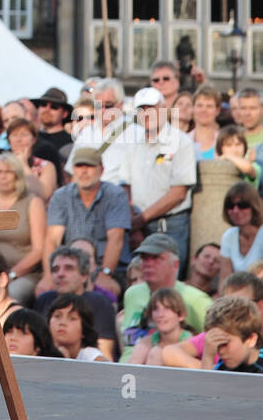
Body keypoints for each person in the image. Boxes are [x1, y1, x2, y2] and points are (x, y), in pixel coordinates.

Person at [121, 87, 196, 274]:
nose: (146, 114)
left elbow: (178, 193)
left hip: (170, 225)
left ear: (163, 109)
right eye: (141, 109)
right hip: (139, 225)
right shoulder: (132, 142)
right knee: (138, 280)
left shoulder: (182, 141)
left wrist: (137, 221)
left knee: (169, 283)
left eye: (151, 108)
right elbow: (125, 184)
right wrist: (135, 223)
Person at [43, 148, 130, 298]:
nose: (84, 172)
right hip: (70, 264)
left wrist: (105, 273)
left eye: (89, 166)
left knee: (108, 289)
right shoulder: (60, 196)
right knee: (45, 291)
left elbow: (116, 239)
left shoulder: (115, 195)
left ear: (101, 170)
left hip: (108, 266)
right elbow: (52, 239)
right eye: (79, 166)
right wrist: (48, 275)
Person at [118, 235, 210, 361]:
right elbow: (126, 342)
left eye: (156, 258)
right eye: (144, 258)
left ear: (175, 265)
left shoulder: (195, 300)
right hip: (126, 372)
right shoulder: (133, 294)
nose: (148, 264)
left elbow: (212, 341)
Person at [0, 152, 45, 303]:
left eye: (8, 172)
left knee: (10, 294)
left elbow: (38, 250)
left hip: (21, 275)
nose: (3, 177)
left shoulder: (33, 203)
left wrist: (11, 274)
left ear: (17, 176)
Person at [34, 246, 117, 359]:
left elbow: (104, 353)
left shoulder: (99, 303)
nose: (60, 274)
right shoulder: (44, 300)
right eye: (55, 269)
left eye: (68, 268)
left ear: (84, 276)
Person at [67, 77, 130, 183]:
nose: (103, 110)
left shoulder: (136, 132)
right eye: (99, 105)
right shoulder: (86, 132)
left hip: (117, 194)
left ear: (121, 104)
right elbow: (72, 170)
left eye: (108, 105)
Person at [127, 288, 192, 366]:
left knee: (157, 353)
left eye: (167, 308)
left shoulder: (191, 342)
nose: (160, 314)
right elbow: (128, 372)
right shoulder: (146, 343)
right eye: (155, 309)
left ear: (181, 315)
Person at [202, 294, 263, 373]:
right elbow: (206, 384)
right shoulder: (223, 366)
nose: (220, 351)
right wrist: (208, 357)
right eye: (217, 345)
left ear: (251, 339)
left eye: (225, 343)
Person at [1, 116, 57, 202]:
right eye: (14, 135)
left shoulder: (46, 166)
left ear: (33, 139)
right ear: (9, 139)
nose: (19, 139)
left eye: (24, 135)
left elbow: (45, 195)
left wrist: (23, 164)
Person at [219, 182, 263, 283]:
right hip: (236, 295)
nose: (236, 210)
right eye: (230, 205)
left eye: (242, 205)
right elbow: (224, 281)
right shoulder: (228, 236)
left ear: (254, 206)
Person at [47, 294, 107, 360]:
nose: (62, 323)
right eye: (57, 316)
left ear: (84, 329)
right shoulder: (39, 351)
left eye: (72, 318)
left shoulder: (91, 356)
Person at [30, 87, 74, 172]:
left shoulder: (71, 141)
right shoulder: (31, 137)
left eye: (54, 107)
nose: (47, 109)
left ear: (64, 113)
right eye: (43, 104)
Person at [189, 84, 221, 161]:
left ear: (217, 110)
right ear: (193, 108)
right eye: (199, 105)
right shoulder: (182, 141)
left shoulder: (224, 141)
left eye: (209, 106)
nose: (204, 110)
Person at [235, 87, 263, 159]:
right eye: (243, 108)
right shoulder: (231, 138)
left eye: (253, 108)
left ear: (261, 109)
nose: (247, 113)